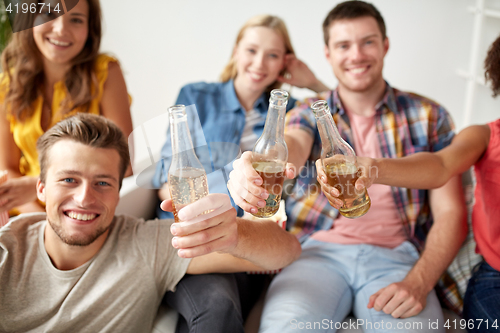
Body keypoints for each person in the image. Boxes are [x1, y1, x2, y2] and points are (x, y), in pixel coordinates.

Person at [228, 1, 467, 331]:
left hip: (396, 257)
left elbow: (452, 213)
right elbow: (291, 150)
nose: (356, 55)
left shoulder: (429, 116)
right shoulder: (307, 114)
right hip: (315, 254)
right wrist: (252, 166)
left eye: (367, 41)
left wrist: (419, 282)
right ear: (328, 53)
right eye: (343, 45)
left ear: (385, 45)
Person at [0, 113, 301, 333]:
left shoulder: (146, 245)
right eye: (68, 179)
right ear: (41, 188)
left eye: (102, 183)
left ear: (119, 192)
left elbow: (286, 250)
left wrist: (234, 233)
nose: (83, 198)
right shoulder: (8, 247)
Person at [152, 15, 329, 333]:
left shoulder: (289, 111)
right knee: (217, 307)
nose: (260, 63)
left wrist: (313, 83)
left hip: (250, 243)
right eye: (251, 50)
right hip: (190, 235)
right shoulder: (196, 96)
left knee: (228, 309)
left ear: (283, 65)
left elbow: (344, 122)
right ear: (235, 51)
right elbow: (167, 182)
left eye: (273, 55)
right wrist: (224, 194)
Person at [331, 35, 500, 333]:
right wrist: (376, 168)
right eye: (343, 45)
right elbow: (440, 167)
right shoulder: (484, 136)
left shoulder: (431, 115)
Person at [0, 0, 133, 217]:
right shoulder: (7, 85)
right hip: (26, 213)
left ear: (90, 29)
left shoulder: (106, 73)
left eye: (76, 20)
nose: (61, 29)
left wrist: (38, 185)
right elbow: (8, 170)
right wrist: (39, 221)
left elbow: (124, 165)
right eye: (49, 14)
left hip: (82, 210)